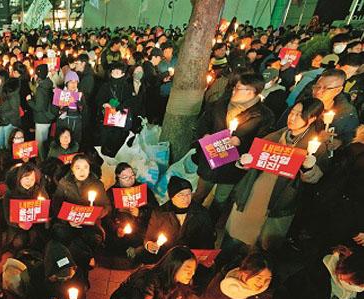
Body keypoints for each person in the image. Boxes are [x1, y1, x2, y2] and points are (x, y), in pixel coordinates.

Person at [225, 97, 327, 253]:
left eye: (299, 115)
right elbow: (252, 163)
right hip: (254, 192)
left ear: (312, 118)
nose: (292, 118)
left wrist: (308, 168)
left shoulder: (315, 146)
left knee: (263, 243)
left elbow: (314, 178)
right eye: (292, 112)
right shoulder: (274, 136)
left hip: (281, 198)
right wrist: (244, 162)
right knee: (237, 233)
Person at [193, 74, 275, 220]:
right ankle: (191, 219)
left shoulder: (264, 115)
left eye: (238, 88)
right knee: (199, 193)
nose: (233, 91)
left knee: (221, 199)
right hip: (210, 159)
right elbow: (203, 122)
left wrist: (241, 141)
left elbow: (262, 143)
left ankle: (210, 223)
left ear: (251, 92)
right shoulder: (220, 104)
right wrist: (205, 135)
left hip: (232, 167)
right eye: (235, 87)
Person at [51, 154, 110, 269]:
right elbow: (56, 206)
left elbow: (106, 206)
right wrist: (68, 220)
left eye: (85, 167)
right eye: (78, 168)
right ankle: (85, 259)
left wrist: (95, 214)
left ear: (89, 168)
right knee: (61, 234)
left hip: (90, 224)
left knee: (94, 238)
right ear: (72, 170)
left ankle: (75, 263)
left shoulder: (97, 184)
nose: (82, 171)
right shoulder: (64, 183)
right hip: (67, 223)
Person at [139, 176, 214, 261]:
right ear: (172, 197)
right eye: (180, 195)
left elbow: (208, 240)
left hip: (190, 257)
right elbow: (149, 237)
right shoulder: (160, 213)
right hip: (166, 256)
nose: (185, 198)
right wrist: (149, 245)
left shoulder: (201, 213)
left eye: (188, 194)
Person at [200, 251, 275, 299]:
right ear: (244, 273)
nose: (262, 283)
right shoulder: (223, 279)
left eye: (267, 279)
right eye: (259, 278)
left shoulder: (266, 296)